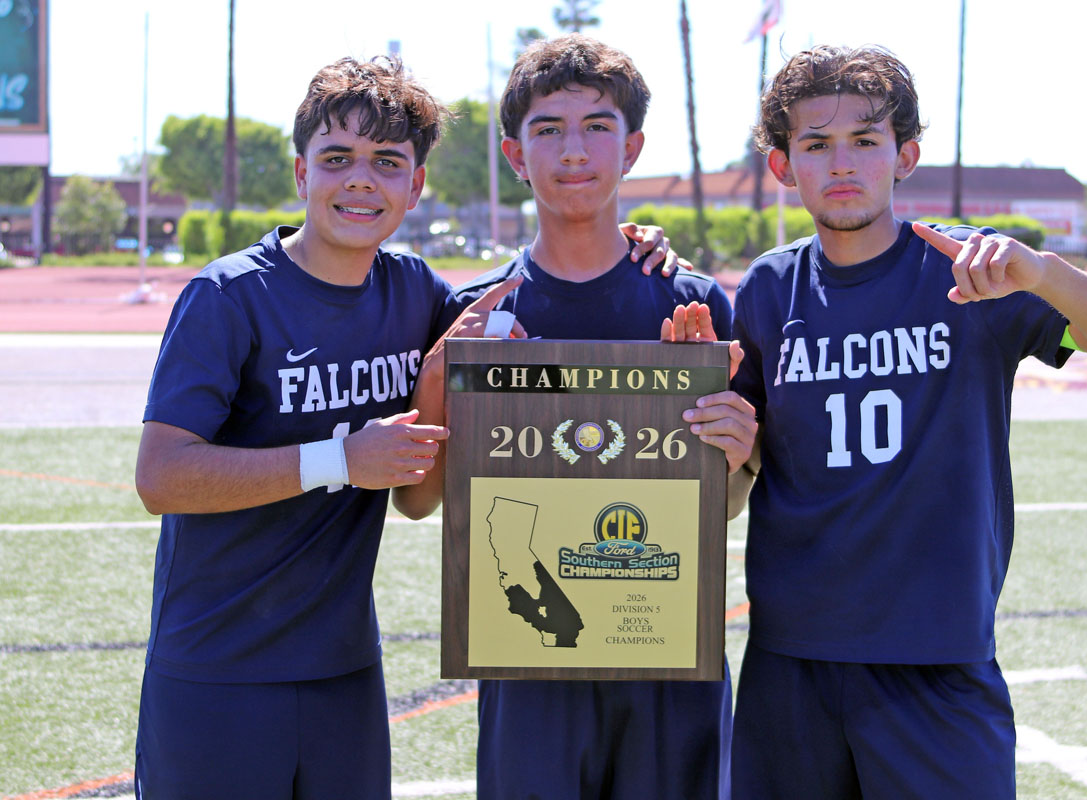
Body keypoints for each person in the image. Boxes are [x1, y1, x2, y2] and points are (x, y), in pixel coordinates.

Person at [131, 54, 680, 799]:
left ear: (415, 186)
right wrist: (340, 460)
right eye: (338, 158)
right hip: (218, 667)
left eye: (387, 162)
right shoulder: (229, 295)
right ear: (301, 173)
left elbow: (520, 318)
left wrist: (638, 241)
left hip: (346, 671)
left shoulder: (417, 293)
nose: (361, 180)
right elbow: (161, 477)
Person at [724, 45, 1087, 799]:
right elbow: (743, 473)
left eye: (865, 140)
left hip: (936, 655)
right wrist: (726, 451)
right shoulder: (769, 288)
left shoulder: (972, 269)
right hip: (790, 659)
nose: (843, 163)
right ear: (783, 165)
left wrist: (1041, 273)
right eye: (817, 144)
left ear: (904, 156)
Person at [409, 34, 757, 800]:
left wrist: (732, 452)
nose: (574, 150)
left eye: (598, 127)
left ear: (631, 149)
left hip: (664, 652)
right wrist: (444, 381)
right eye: (548, 129)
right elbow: (419, 499)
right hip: (528, 657)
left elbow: (728, 503)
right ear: (514, 153)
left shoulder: (692, 301)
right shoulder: (472, 312)